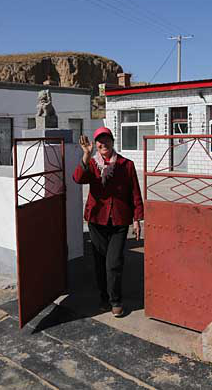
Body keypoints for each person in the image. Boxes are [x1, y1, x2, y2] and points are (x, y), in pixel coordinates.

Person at [72, 126, 143, 317]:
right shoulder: (92, 163)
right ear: (95, 144)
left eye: (107, 140)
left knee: (114, 263)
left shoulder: (126, 165)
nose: (103, 144)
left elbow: (135, 192)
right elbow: (78, 178)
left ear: (112, 141)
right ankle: (104, 297)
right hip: (97, 220)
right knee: (100, 262)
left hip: (119, 220)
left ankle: (115, 300)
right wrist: (86, 155)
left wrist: (137, 218)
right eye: (99, 141)